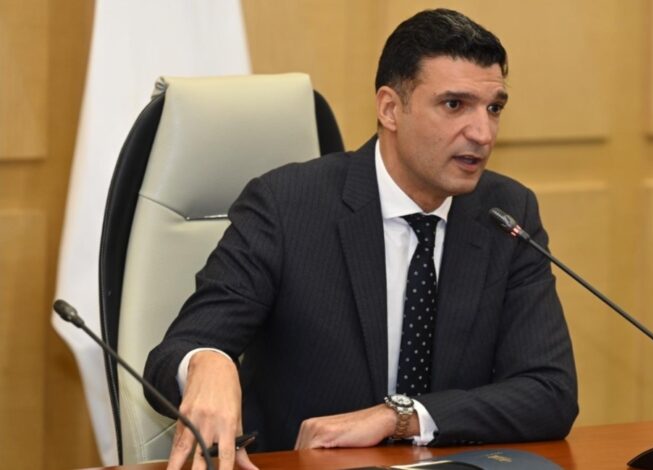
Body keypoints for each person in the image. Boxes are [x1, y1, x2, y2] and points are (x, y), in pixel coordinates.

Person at [144, 8, 578, 470]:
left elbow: (549, 392)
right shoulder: (286, 206)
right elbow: (172, 355)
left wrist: (401, 416)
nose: (482, 133)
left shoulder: (505, 213)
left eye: (494, 108)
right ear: (390, 109)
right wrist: (207, 361)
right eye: (454, 105)